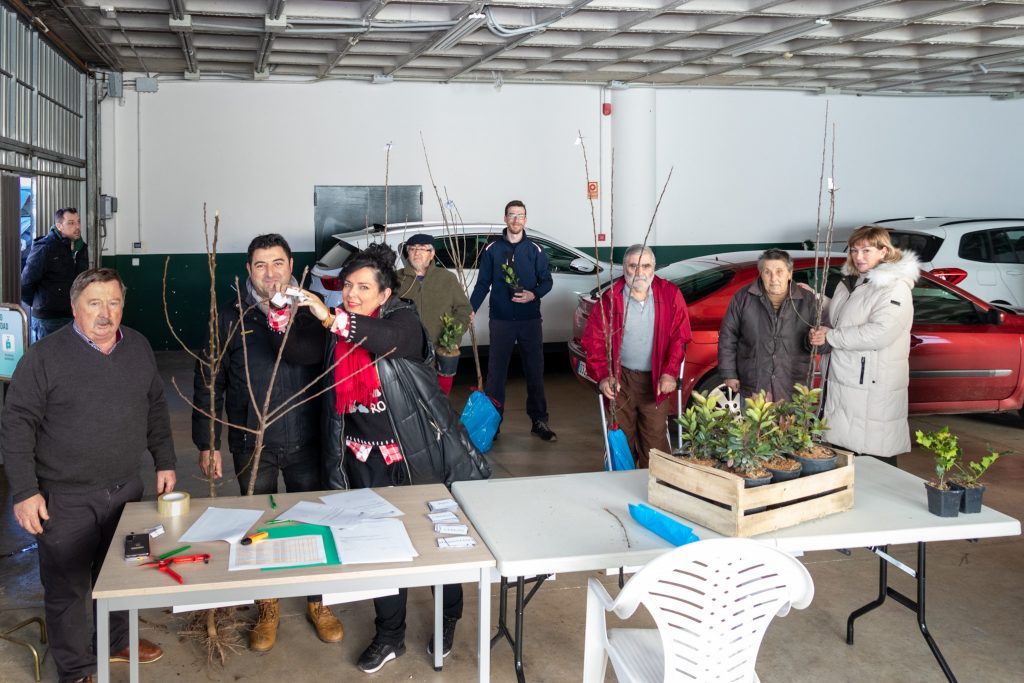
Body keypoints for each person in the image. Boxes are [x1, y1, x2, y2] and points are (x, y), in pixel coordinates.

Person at [275, 242, 490, 674]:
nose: (352, 294)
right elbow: (301, 351)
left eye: (363, 288)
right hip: (362, 461)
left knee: (437, 548)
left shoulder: (403, 322)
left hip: (415, 458)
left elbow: (387, 341)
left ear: (384, 295)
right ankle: (390, 636)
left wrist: (332, 316)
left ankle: (447, 620)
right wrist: (279, 316)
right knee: (381, 550)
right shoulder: (337, 330)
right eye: (347, 286)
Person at [2, 268, 176, 683]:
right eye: (94, 303)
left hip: (126, 489)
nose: (105, 313)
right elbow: (16, 425)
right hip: (65, 496)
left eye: (113, 302)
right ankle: (76, 669)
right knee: (67, 587)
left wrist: (165, 459)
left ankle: (115, 642)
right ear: (74, 308)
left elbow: (154, 406)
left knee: (119, 575)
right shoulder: (44, 357)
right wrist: (25, 491)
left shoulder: (137, 346)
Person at [191, 233, 343, 652]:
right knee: (256, 527)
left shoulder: (311, 310)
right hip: (249, 440)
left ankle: (317, 600)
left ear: (292, 265)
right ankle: (267, 604)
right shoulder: (229, 316)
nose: (270, 273)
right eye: (260, 265)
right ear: (248, 271)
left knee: (312, 522)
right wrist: (208, 442)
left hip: (307, 438)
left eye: (278, 263)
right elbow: (209, 382)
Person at [809, 226, 920, 463]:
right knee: (847, 449)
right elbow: (842, 316)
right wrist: (814, 299)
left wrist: (831, 337)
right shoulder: (852, 282)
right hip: (848, 378)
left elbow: (881, 332)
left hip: (872, 383)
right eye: (854, 250)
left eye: (866, 250)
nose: (858, 257)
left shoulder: (894, 287)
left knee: (873, 455)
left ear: (883, 251)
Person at [581, 244, 691, 467]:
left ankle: (656, 490)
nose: (639, 272)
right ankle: (620, 488)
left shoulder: (670, 294)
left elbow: (679, 338)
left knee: (655, 442)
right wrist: (603, 376)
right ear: (624, 268)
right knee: (622, 440)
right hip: (620, 381)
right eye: (633, 266)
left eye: (645, 265)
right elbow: (595, 343)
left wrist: (670, 373)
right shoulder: (610, 299)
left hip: (656, 380)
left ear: (653, 268)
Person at [469, 200, 556, 441]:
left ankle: (540, 421)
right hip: (501, 321)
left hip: (530, 321)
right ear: (505, 218)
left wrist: (533, 294)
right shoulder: (492, 250)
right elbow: (482, 284)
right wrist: (471, 309)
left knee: (535, 371)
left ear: (525, 220)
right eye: (512, 215)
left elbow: (546, 281)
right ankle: (493, 423)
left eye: (521, 216)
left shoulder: (535, 250)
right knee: (496, 374)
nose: (516, 220)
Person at [718, 248, 819, 402]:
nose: (773, 278)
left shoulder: (808, 300)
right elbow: (727, 336)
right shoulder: (743, 298)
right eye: (767, 272)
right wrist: (729, 373)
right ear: (761, 274)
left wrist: (815, 340)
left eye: (779, 271)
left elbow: (825, 341)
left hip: (793, 385)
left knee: (790, 426)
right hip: (755, 384)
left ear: (790, 274)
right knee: (756, 426)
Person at [396, 233, 471, 394]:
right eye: (412, 249)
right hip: (407, 354)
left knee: (439, 401)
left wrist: (453, 339)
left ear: (432, 254)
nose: (417, 253)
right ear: (407, 253)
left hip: (440, 352)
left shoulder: (447, 279)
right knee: (408, 400)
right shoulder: (397, 280)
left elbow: (464, 309)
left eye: (422, 249)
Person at [21, 207, 89, 342]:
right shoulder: (45, 247)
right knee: (48, 360)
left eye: (78, 222)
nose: (77, 227)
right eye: (71, 223)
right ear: (59, 226)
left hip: (72, 315)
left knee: (70, 359)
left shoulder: (80, 247)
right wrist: (41, 303)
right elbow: (26, 283)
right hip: (48, 319)